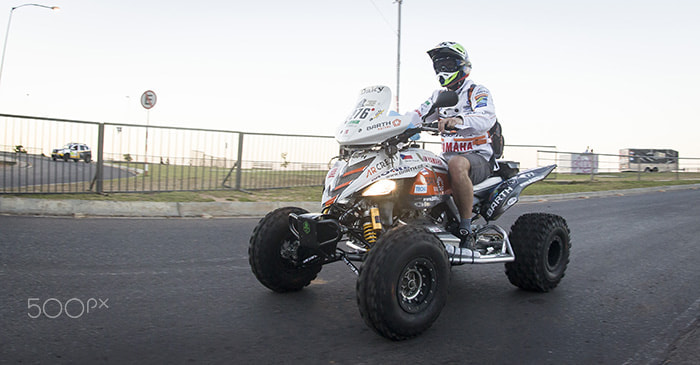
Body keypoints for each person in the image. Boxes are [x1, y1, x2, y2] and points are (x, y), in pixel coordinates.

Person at [408, 41, 498, 248]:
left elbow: (486, 117)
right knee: (414, 163)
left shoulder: (476, 91)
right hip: (446, 157)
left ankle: (466, 228)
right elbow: (418, 114)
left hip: (478, 157)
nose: (442, 71)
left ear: (461, 65)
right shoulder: (438, 96)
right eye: (439, 67)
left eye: (448, 65)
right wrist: (393, 123)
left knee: (456, 164)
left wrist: (459, 120)